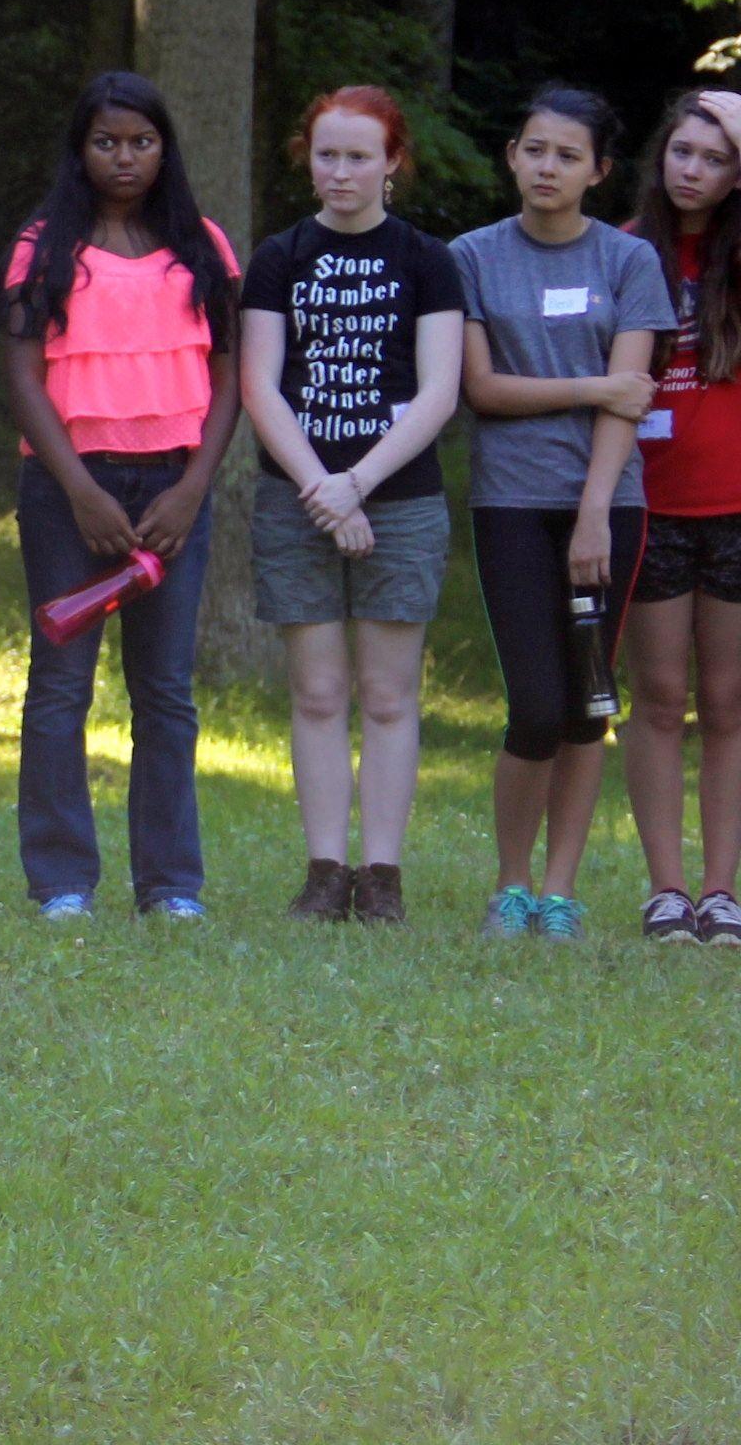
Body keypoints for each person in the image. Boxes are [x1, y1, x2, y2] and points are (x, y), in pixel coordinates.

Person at [0, 71, 240, 922]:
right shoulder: (43, 246)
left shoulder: (202, 245)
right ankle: (62, 880)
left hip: (174, 490)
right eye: (107, 142)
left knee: (165, 691)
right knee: (61, 685)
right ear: (81, 150)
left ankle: (171, 884)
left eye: (141, 142)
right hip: (72, 489)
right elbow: (23, 376)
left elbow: (228, 372)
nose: (125, 157)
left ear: (164, 147)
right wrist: (80, 491)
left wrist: (193, 490)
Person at [237, 90, 465, 927]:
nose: (341, 172)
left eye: (359, 157)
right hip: (295, 497)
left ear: (392, 161)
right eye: (327, 155)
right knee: (319, 693)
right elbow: (260, 384)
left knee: (389, 696)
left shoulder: (428, 260)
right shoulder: (279, 257)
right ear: (308, 156)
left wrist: (356, 486)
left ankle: (383, 877)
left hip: (397, 500)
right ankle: (326, 869)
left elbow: (440, 392)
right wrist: (322, 494)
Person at [453, 85, 674, 943]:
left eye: (568, 156)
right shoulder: (471, 255)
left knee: (588, 704)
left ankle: (558, 892)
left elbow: (632, 403)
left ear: (599, 172)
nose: (548, 167)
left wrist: (593, 516)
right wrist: (589, 387)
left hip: (606, 508)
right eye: (535, 149)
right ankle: (508, 885)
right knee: (536, 706)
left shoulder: (628, 263)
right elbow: (483, 390)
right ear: (512, 154)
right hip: (509, 503)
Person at [618, 91, 741, 943]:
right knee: (657, 697)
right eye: (683, 152)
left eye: (714, 160)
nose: (693, 170)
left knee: (727, 700)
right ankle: (667, 889)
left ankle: (721, 891)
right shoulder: (620, 250)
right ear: (662, 157)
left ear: (737, 177)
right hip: (650, 504)